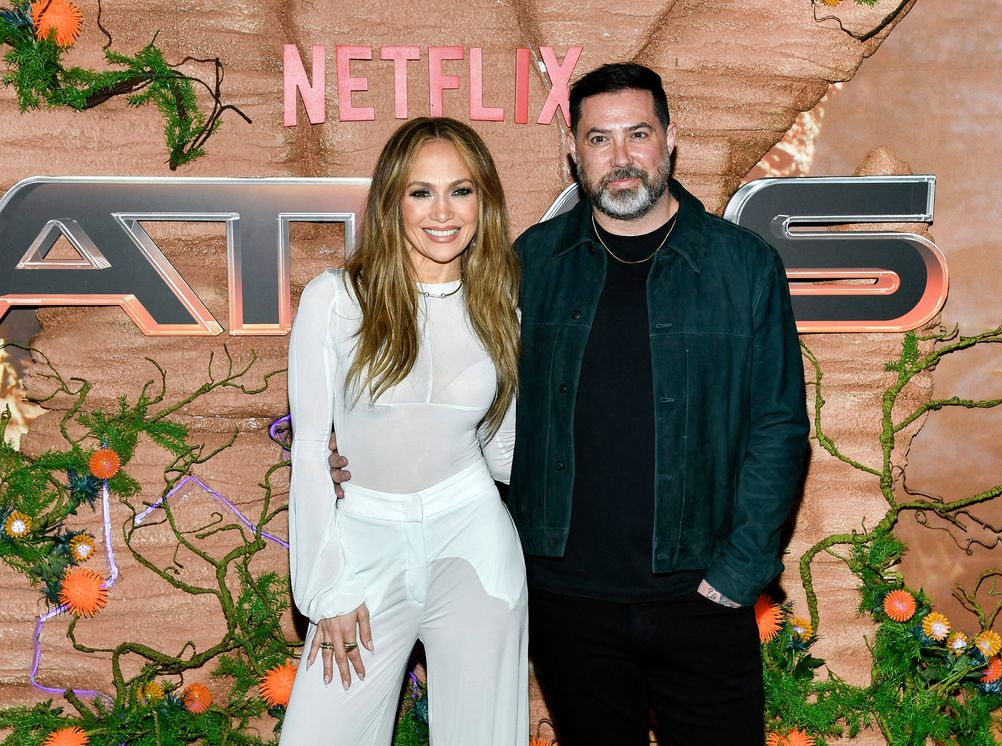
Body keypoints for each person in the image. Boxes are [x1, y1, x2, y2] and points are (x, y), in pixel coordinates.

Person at [332, 63, 809, 745]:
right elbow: (453, 390)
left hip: (702, 596)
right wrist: (358, 449)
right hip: (567, 602)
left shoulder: (742, 265)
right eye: (599, 139)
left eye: (638, 134)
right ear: (572, 148)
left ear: (671, 136)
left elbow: (779, 427)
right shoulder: (530, 263)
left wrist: (739, 572)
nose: (621, 158)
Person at [283, 117, 528, 746]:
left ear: (484, 201)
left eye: (461, 190)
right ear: (392, 201)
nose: (442, 212)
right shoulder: (336, 299)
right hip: (362, 549)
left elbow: (503, 449)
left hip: (474, 545)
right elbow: (309, 448)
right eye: (421, 192)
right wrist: (326, 587)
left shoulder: (501, 308)